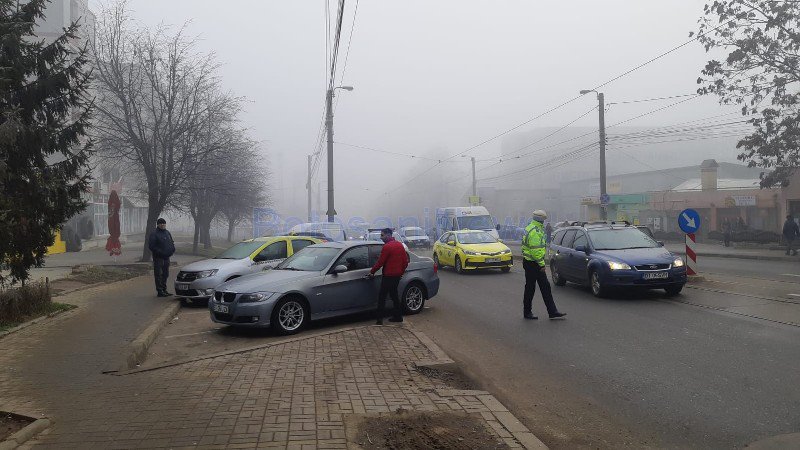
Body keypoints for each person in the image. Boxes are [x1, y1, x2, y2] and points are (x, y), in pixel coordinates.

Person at [521, 210, 565, 320]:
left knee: (543, 287)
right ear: (540, 219)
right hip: (533, 263)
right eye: (544, 220)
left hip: (530, 262)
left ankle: (552, 311)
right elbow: (535, 251)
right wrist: (541, 265)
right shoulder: (535, 231)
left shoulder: (530, 228)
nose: (545, 222)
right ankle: (528, 312)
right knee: (532, 288)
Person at [368, 228, 409, 325]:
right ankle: (398, 316)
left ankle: (379, 320)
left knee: (382, 297)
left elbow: (380, 262)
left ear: (388, 235)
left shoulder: (387, 247)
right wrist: (401, 273)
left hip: (388, 276)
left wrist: (372, 272)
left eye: (382, 235)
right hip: (396, 277)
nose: (381, 237)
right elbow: (405, 262)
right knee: (394, 296)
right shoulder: (399, 245)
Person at [148, 218, 175, 297]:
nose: (163, 224)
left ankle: (164, 289)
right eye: (161, 223)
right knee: (159, 274)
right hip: (158, 258)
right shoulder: (154, 234)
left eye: (164, 223)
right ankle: (160, 291)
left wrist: (173, 249)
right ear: (158, 224)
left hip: (167, 257)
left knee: (165, 274)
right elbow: (152, 246)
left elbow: (171, 242)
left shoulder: (167, 233)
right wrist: (161, 252)